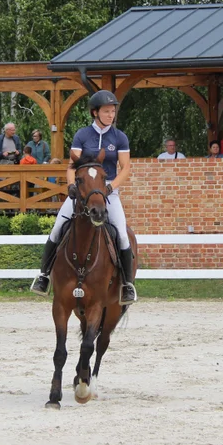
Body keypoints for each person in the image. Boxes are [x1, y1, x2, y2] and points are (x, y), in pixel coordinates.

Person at [31, 90, 137, 304]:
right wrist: (71, 186)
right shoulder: (82, 134)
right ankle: (43, 276)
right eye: (107, 111)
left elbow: (125, 168)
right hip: (82, 192)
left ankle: (127, 285)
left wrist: (110, 188)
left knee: (123, 235)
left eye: (113, 111)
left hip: (108, 191)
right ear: (95, 112)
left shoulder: (119, 137)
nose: (111, 115)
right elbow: (72, 165)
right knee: (57, 228)